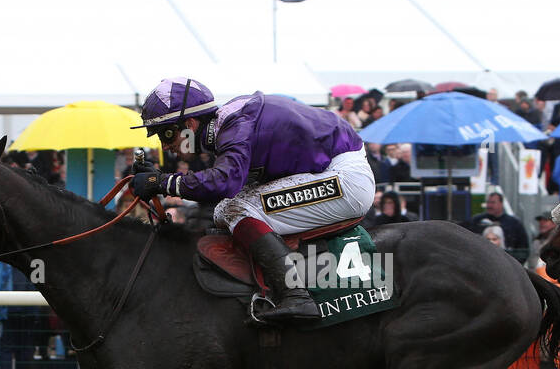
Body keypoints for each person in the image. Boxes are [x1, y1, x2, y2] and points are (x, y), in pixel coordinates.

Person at [129, 77, 376, 323]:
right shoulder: (227, 126)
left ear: (190, 124)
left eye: (167, 134)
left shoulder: (235, 126)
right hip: (331, 171)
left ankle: (297, 295)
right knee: (224, 210)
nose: (164, 147)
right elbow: (222, 187)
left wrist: (161, 183)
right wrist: (162, 180)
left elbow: (223, 181)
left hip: (346, 179)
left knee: (237, 209)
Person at [469, 191, 529, 263]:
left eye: (493, 202)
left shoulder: (514, 223)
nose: (489, 205)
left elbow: (523, 248)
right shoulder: (477, 221)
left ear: (501, 204)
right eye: (488, 202)